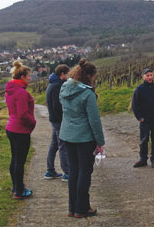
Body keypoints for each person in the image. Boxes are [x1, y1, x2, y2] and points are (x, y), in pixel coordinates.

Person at [59, 58, 105, 218]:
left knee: (73, 171)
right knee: (85, 172)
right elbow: (94, 120)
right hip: (84, 138)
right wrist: (100, 142)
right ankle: (82, 208)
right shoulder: (87, 94)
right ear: (90, 76)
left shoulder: (64, 88)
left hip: (67, 136)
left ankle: (72, 208)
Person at [5, 61, 36, 199]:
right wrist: (33, 123)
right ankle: (19, 191)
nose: (30, 78)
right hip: (20, 130)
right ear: (22, 77)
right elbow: (23, 114)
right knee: (20, 161)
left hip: (11, 128)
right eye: (29, 76)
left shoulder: (10, 90)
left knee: (15, 159)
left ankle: (15, 187)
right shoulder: (21, 92)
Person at [45, 64, 70, 182]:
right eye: (67, 74)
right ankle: (67, 172)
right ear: (62, 74)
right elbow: (57, 106)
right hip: (58, 121)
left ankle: (50, 170)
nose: (69, 77)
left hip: (53, 120)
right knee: (63, 145)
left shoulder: (52, 84)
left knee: (54, 144)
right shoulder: (57, 86)